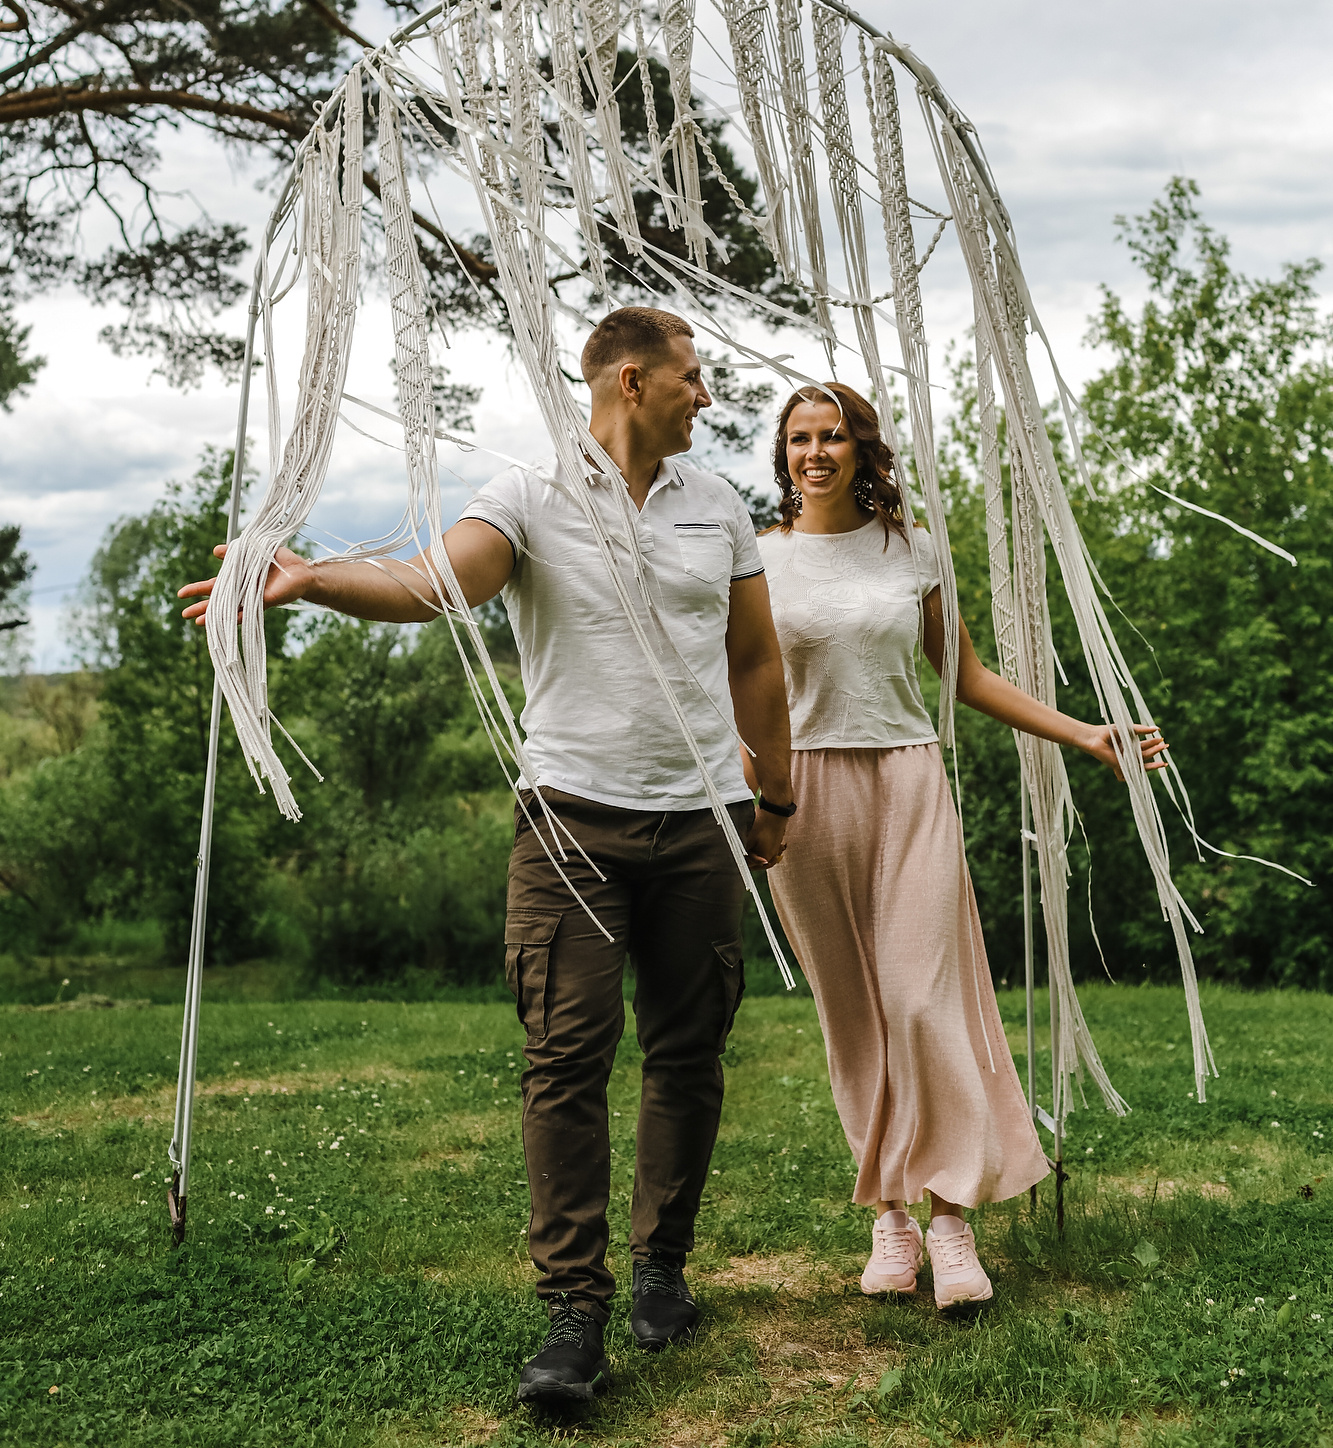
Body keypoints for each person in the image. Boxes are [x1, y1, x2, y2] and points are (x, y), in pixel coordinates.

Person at [180, 306, 793, 1407]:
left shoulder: (720, 507)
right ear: (634, 379)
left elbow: (755, 657)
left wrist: (775, 788)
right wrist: (312, 579)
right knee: (566, 1055)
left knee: (690, 1050)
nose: (709, 396)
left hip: (700, 818)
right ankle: (574, 1310)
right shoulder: (528, 490)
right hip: (571, 822)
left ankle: (662, 1266)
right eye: (694, 378)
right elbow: (438, 582)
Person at [754, 382, 1165, 1310]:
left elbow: (966, 675)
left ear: (861, 450)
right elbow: (731, 681)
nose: (813, 453)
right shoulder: (756, 558)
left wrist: (1083, 733)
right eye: (797, 439)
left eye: (831, 437)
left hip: (907, 780)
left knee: (919, 998)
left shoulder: (912, 550)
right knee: (855, 1015)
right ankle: (889, 1219)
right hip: (801, 792)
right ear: (782, 454)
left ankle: (950, 1222)